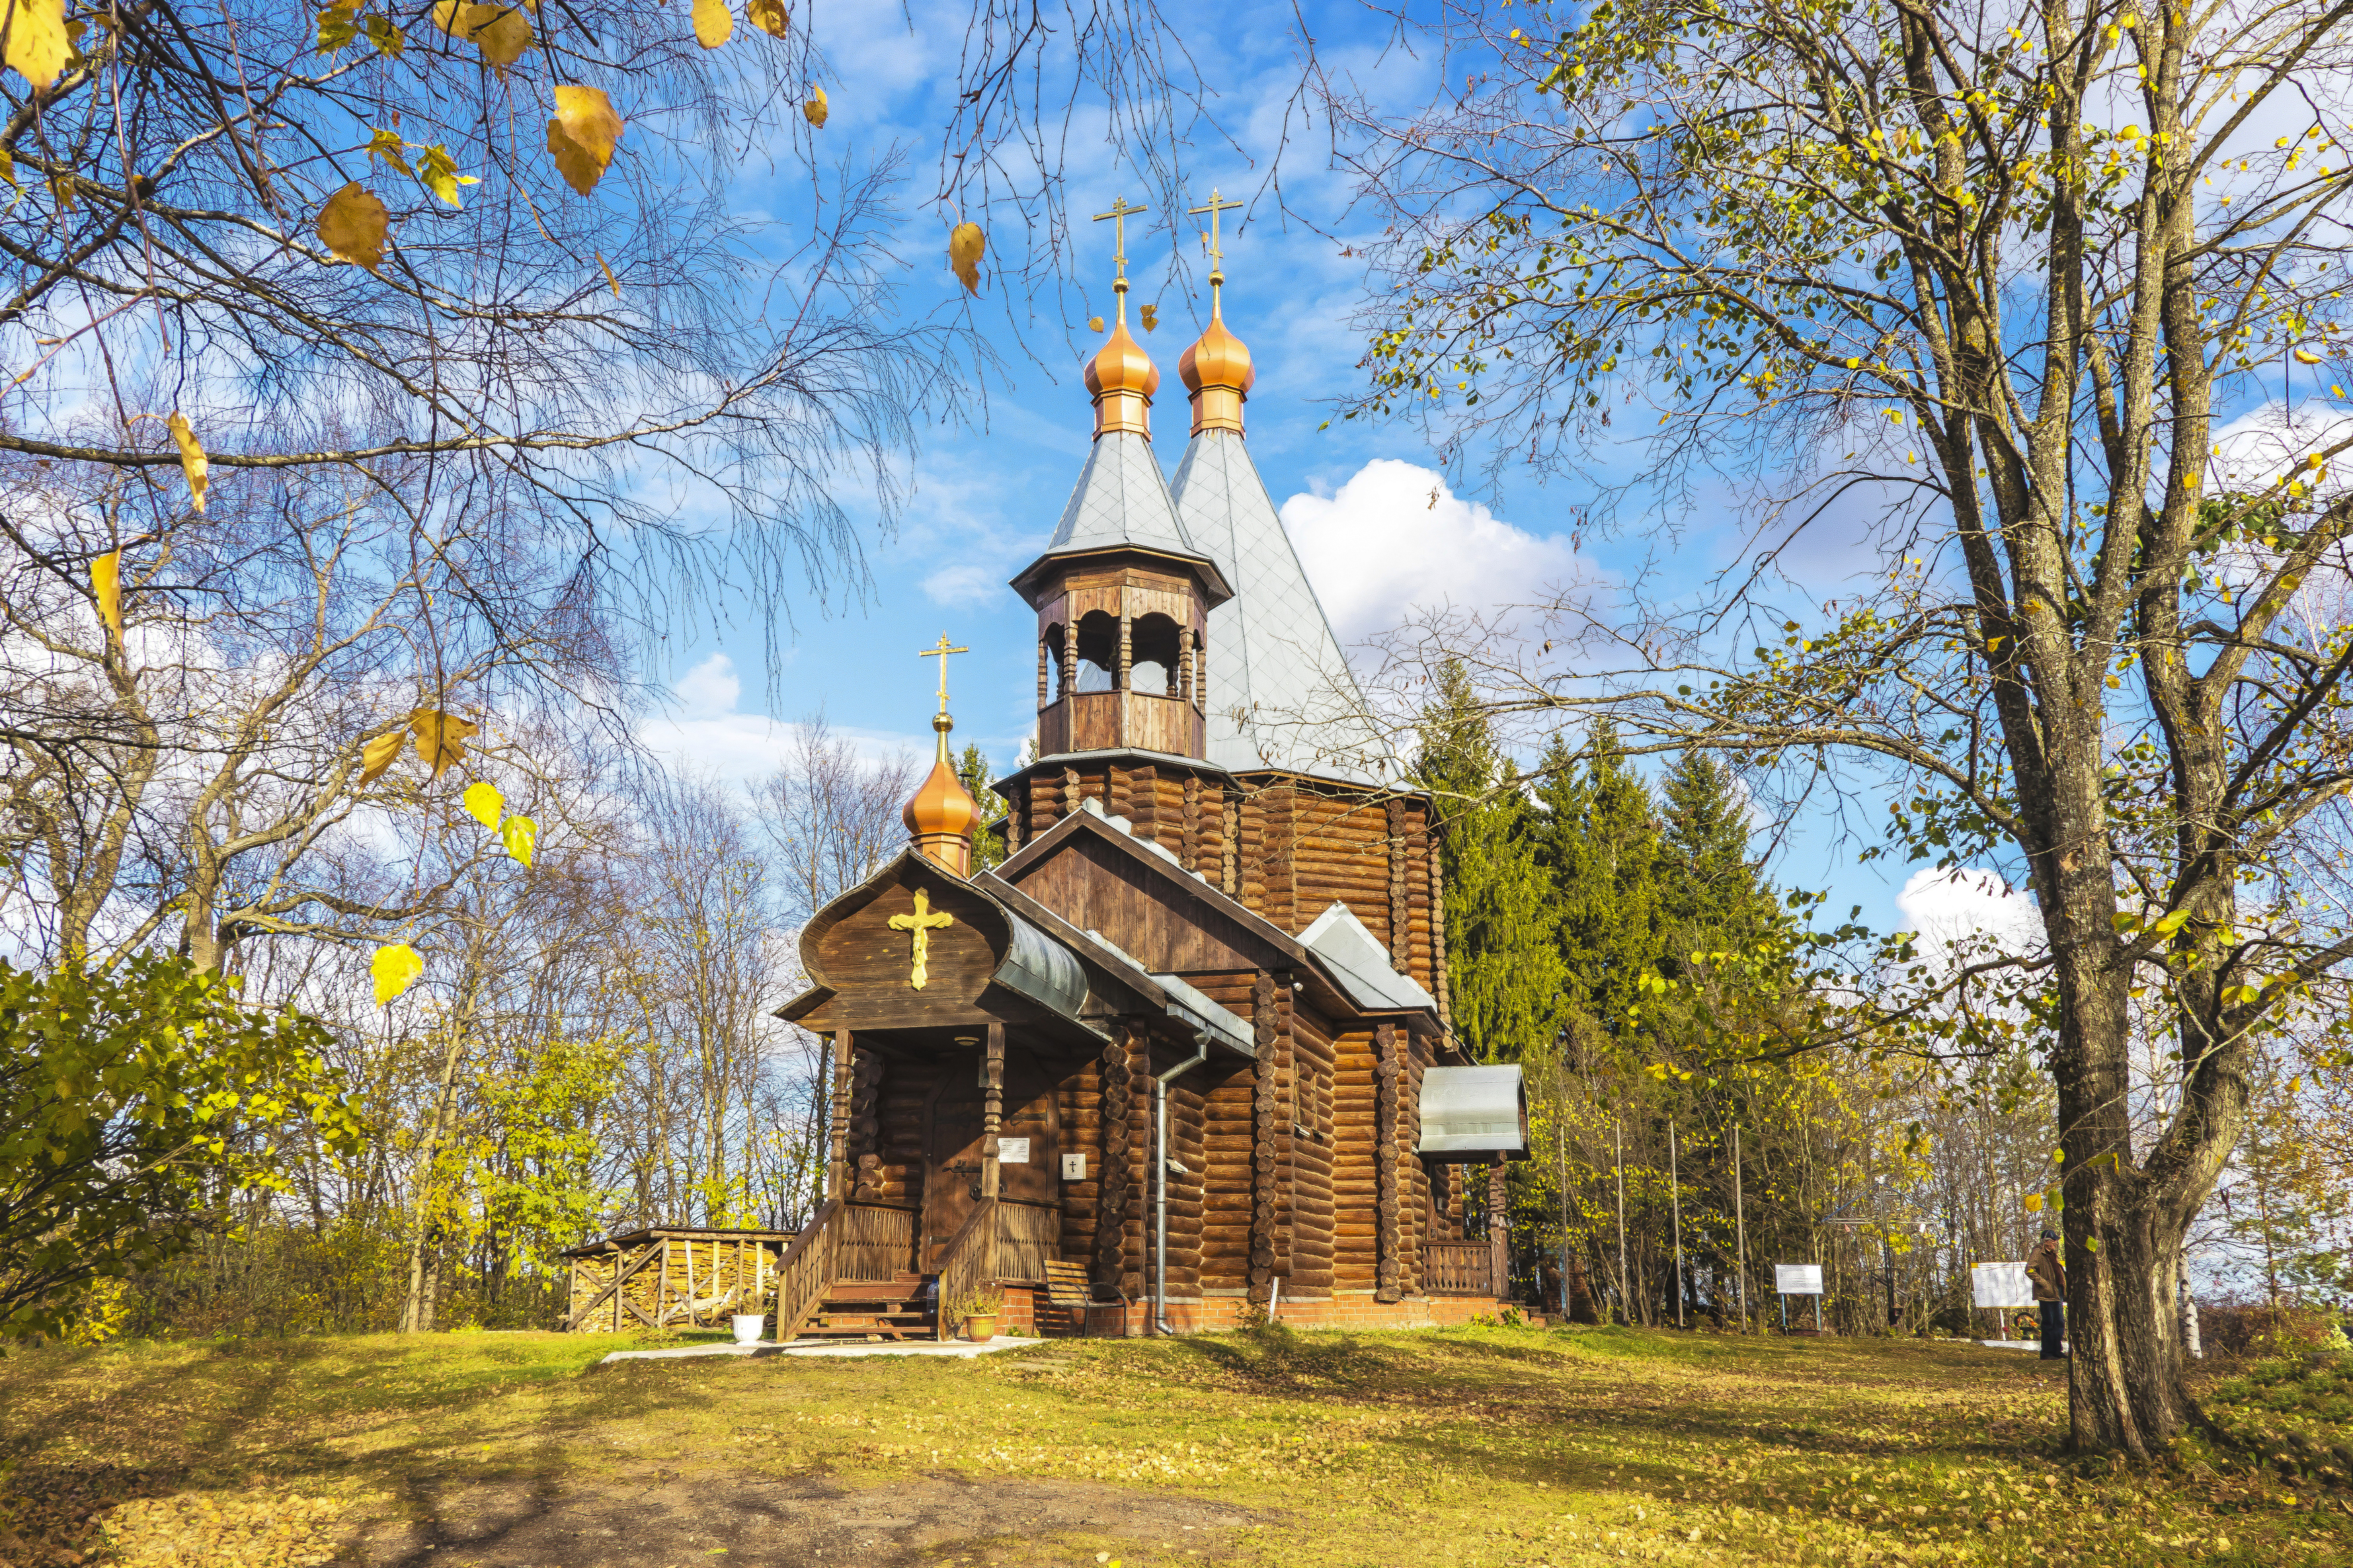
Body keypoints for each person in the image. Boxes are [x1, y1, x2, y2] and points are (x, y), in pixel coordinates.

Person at [2028, 1229, 2067, 1360]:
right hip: (2047, 1293)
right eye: (2054, 1240)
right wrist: (2044, 1284)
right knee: (2049, 1323)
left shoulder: (2052, 1254)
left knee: (2059, 1322)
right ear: (2046, 1241)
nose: (2056, 1243)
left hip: (2057, 1292)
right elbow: (2029, 1270)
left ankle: (2057, 1351)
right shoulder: (2038, 1252)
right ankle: (2047, 1352)